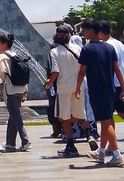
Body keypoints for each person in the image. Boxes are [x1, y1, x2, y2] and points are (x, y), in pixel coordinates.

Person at [77, 19, 124, 166]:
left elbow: (82, 72)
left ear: (91, 31)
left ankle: (117, 155)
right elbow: (117, 69)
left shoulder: (87, 49)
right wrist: (123, 87)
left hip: (97, 90)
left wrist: (77, 88)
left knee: (106, 122)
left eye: (85, 30)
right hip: (110, 89)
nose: (84, 33)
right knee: (106, 121)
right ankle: (102, 152)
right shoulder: (109, 48)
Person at [45, 26, 97, 157]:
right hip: (78, 87)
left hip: (63, 88)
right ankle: (89, 136)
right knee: (81, 115)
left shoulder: (55, 51)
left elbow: (55, 71)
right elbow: (83, 68)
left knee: (65, 118)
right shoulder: (78, 49)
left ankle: (70, 145)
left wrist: (49, 82)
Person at [0, 34, 32, 151]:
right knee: (13, 114)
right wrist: (25, 91)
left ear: (5, 44)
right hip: (21, 88)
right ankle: (10, 142)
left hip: (10, 89)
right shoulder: (16, 54)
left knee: (15, 115)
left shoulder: (2, 56)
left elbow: (1, 74)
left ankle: (25, 140)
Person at [98, 20, 124, 154]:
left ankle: (110, 146)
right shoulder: (119, 44)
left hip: (111, 83)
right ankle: (110, 145)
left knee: (108, 116)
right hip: (121, 82)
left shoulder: (106, 46)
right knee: (120, 112)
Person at [69, 35, 99, 140]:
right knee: (89, 106)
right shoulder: (85, 50)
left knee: (78, 106)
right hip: (88, 80)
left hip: (77, 81)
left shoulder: (71, 51)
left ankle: (77, 131)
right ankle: (92, 131)